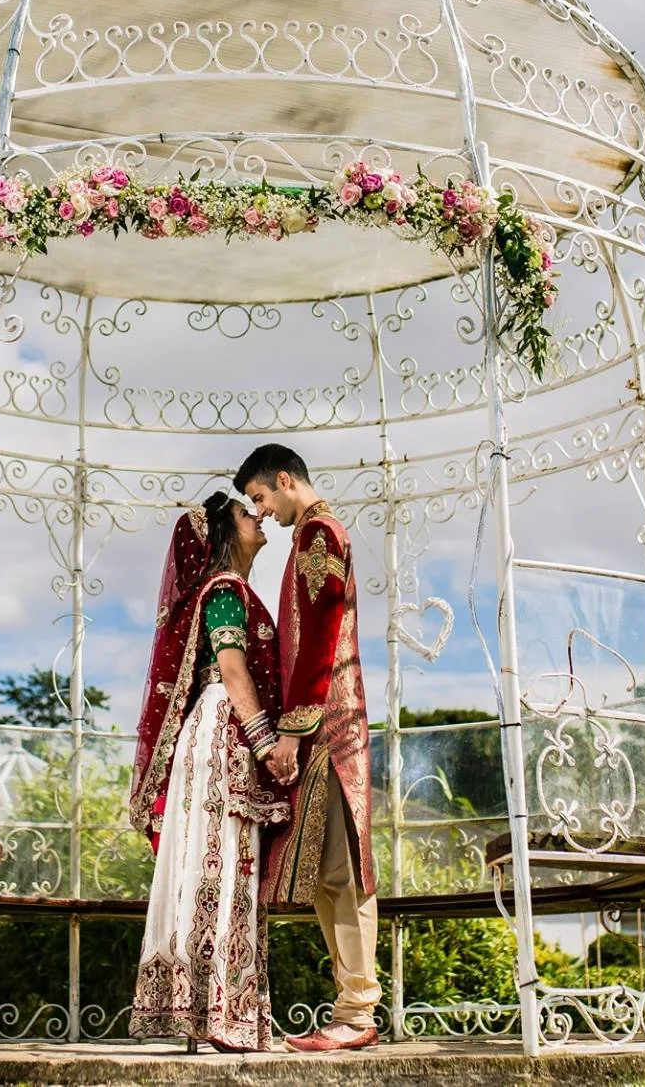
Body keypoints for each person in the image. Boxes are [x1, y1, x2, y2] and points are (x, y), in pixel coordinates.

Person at [128, 490, 293, 1052]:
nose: (261, 515)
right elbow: (231, 668)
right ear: (225, 534)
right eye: (250, 512)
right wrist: (266, 742)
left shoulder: (231, 591)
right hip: (226, 728)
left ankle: (210, 1013)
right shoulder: (224, 589)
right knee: (222, 863)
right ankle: (219, 1013)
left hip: (218, 730)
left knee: (218, 864)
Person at [236, 443, 381, 1052]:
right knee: (328, 874)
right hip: (324, 727)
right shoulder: (309, 539)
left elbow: (321, 637)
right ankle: (353, 1007)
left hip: (329, 732)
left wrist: (291, 735)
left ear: (286, 480)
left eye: (261, 497)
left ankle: (358, 1013)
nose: (261, 513)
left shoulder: (320, 534)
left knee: (342, 872)